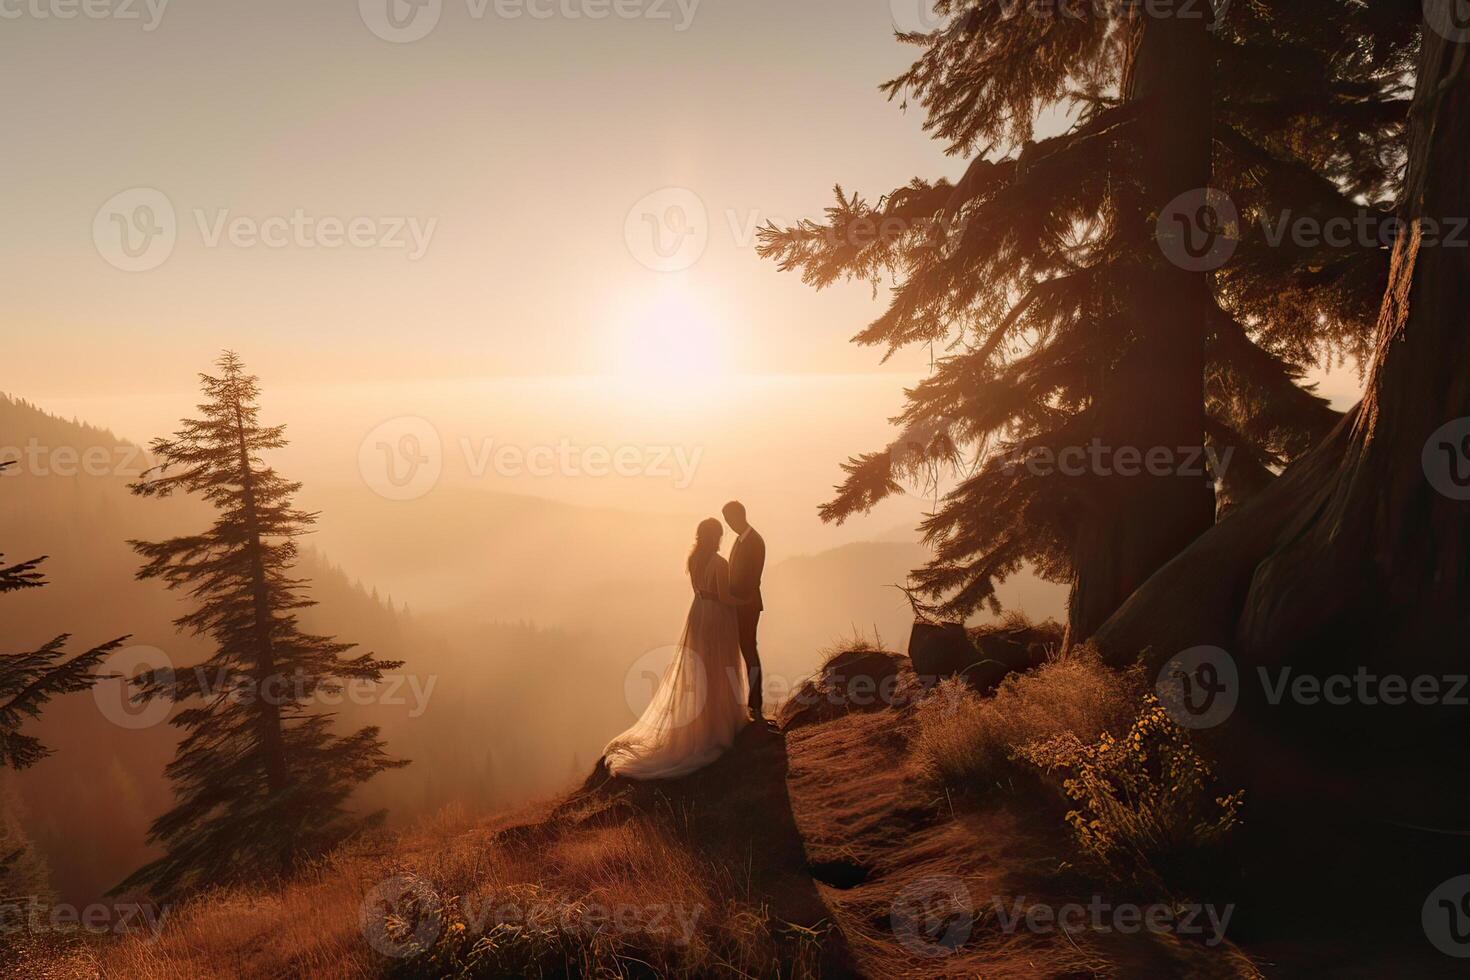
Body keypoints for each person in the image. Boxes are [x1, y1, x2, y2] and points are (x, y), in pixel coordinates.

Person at [602, 518, 752, 779]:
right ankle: (721, 725)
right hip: (717, 616)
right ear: (716, 536)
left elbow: (700, 590)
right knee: (719, 666)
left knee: (701, 670)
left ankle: (703, 725)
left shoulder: (694, 560)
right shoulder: (719, 563)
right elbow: (725, 596)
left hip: (698, 614)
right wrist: (745, 600)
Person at [722, 500, 767, 723]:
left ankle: (756, 703)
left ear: (741, 515)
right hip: (739, 604)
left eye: (731, 519)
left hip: (747, 605)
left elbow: (750, 578)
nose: (729, 525)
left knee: (749, 651)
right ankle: (750, 702)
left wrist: (733, 598)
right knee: (746, 650)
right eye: (727, 521)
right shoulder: (741, 540)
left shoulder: (754, 541)